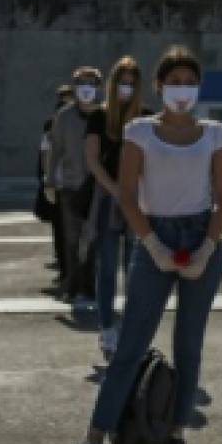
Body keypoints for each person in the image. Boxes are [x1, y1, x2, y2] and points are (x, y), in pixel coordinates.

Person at [52, 45, 222, 444]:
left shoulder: (215, 133)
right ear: (159, 87)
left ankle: (172, 436)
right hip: (155, 234)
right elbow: (127, 194)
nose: (182, 90)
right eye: (174, 82)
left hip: (200, 235)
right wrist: (152, 246)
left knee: (189, 347)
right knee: (130, 345)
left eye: (190, 82)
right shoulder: (139, 131)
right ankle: (93, 441)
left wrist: (207, 247)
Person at [85, 57, 148, 359]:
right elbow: (92, 160)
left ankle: (133, 331)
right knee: (107, 267)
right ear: (113, 84)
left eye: (132, 83)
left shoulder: (146, 118)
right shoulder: (99, 117)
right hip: (109, 198)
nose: (127, 88)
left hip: (138, 200)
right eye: (122, 82)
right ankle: (107, 327)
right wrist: (115, 190)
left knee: (135, 270)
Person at [47, 67, 103, 309]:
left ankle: (90, 287)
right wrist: (49, 179)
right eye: (81, 82)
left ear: (99, 86)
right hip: (70, 186)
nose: (86, 87)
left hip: (98, 188)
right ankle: (72, 286)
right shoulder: (64, 117)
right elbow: (55, 149)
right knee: (71, 240)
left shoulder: (105, 115)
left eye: (91, 82)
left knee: (93, 241)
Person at [41, 85, 75, 287]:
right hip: (61, 186)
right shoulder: (50, 127)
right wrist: (48, 181)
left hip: (75, 185)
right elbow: (46, 156)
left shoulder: (83, 123)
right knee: (62, 232)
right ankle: (66, 271)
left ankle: (73, 273)